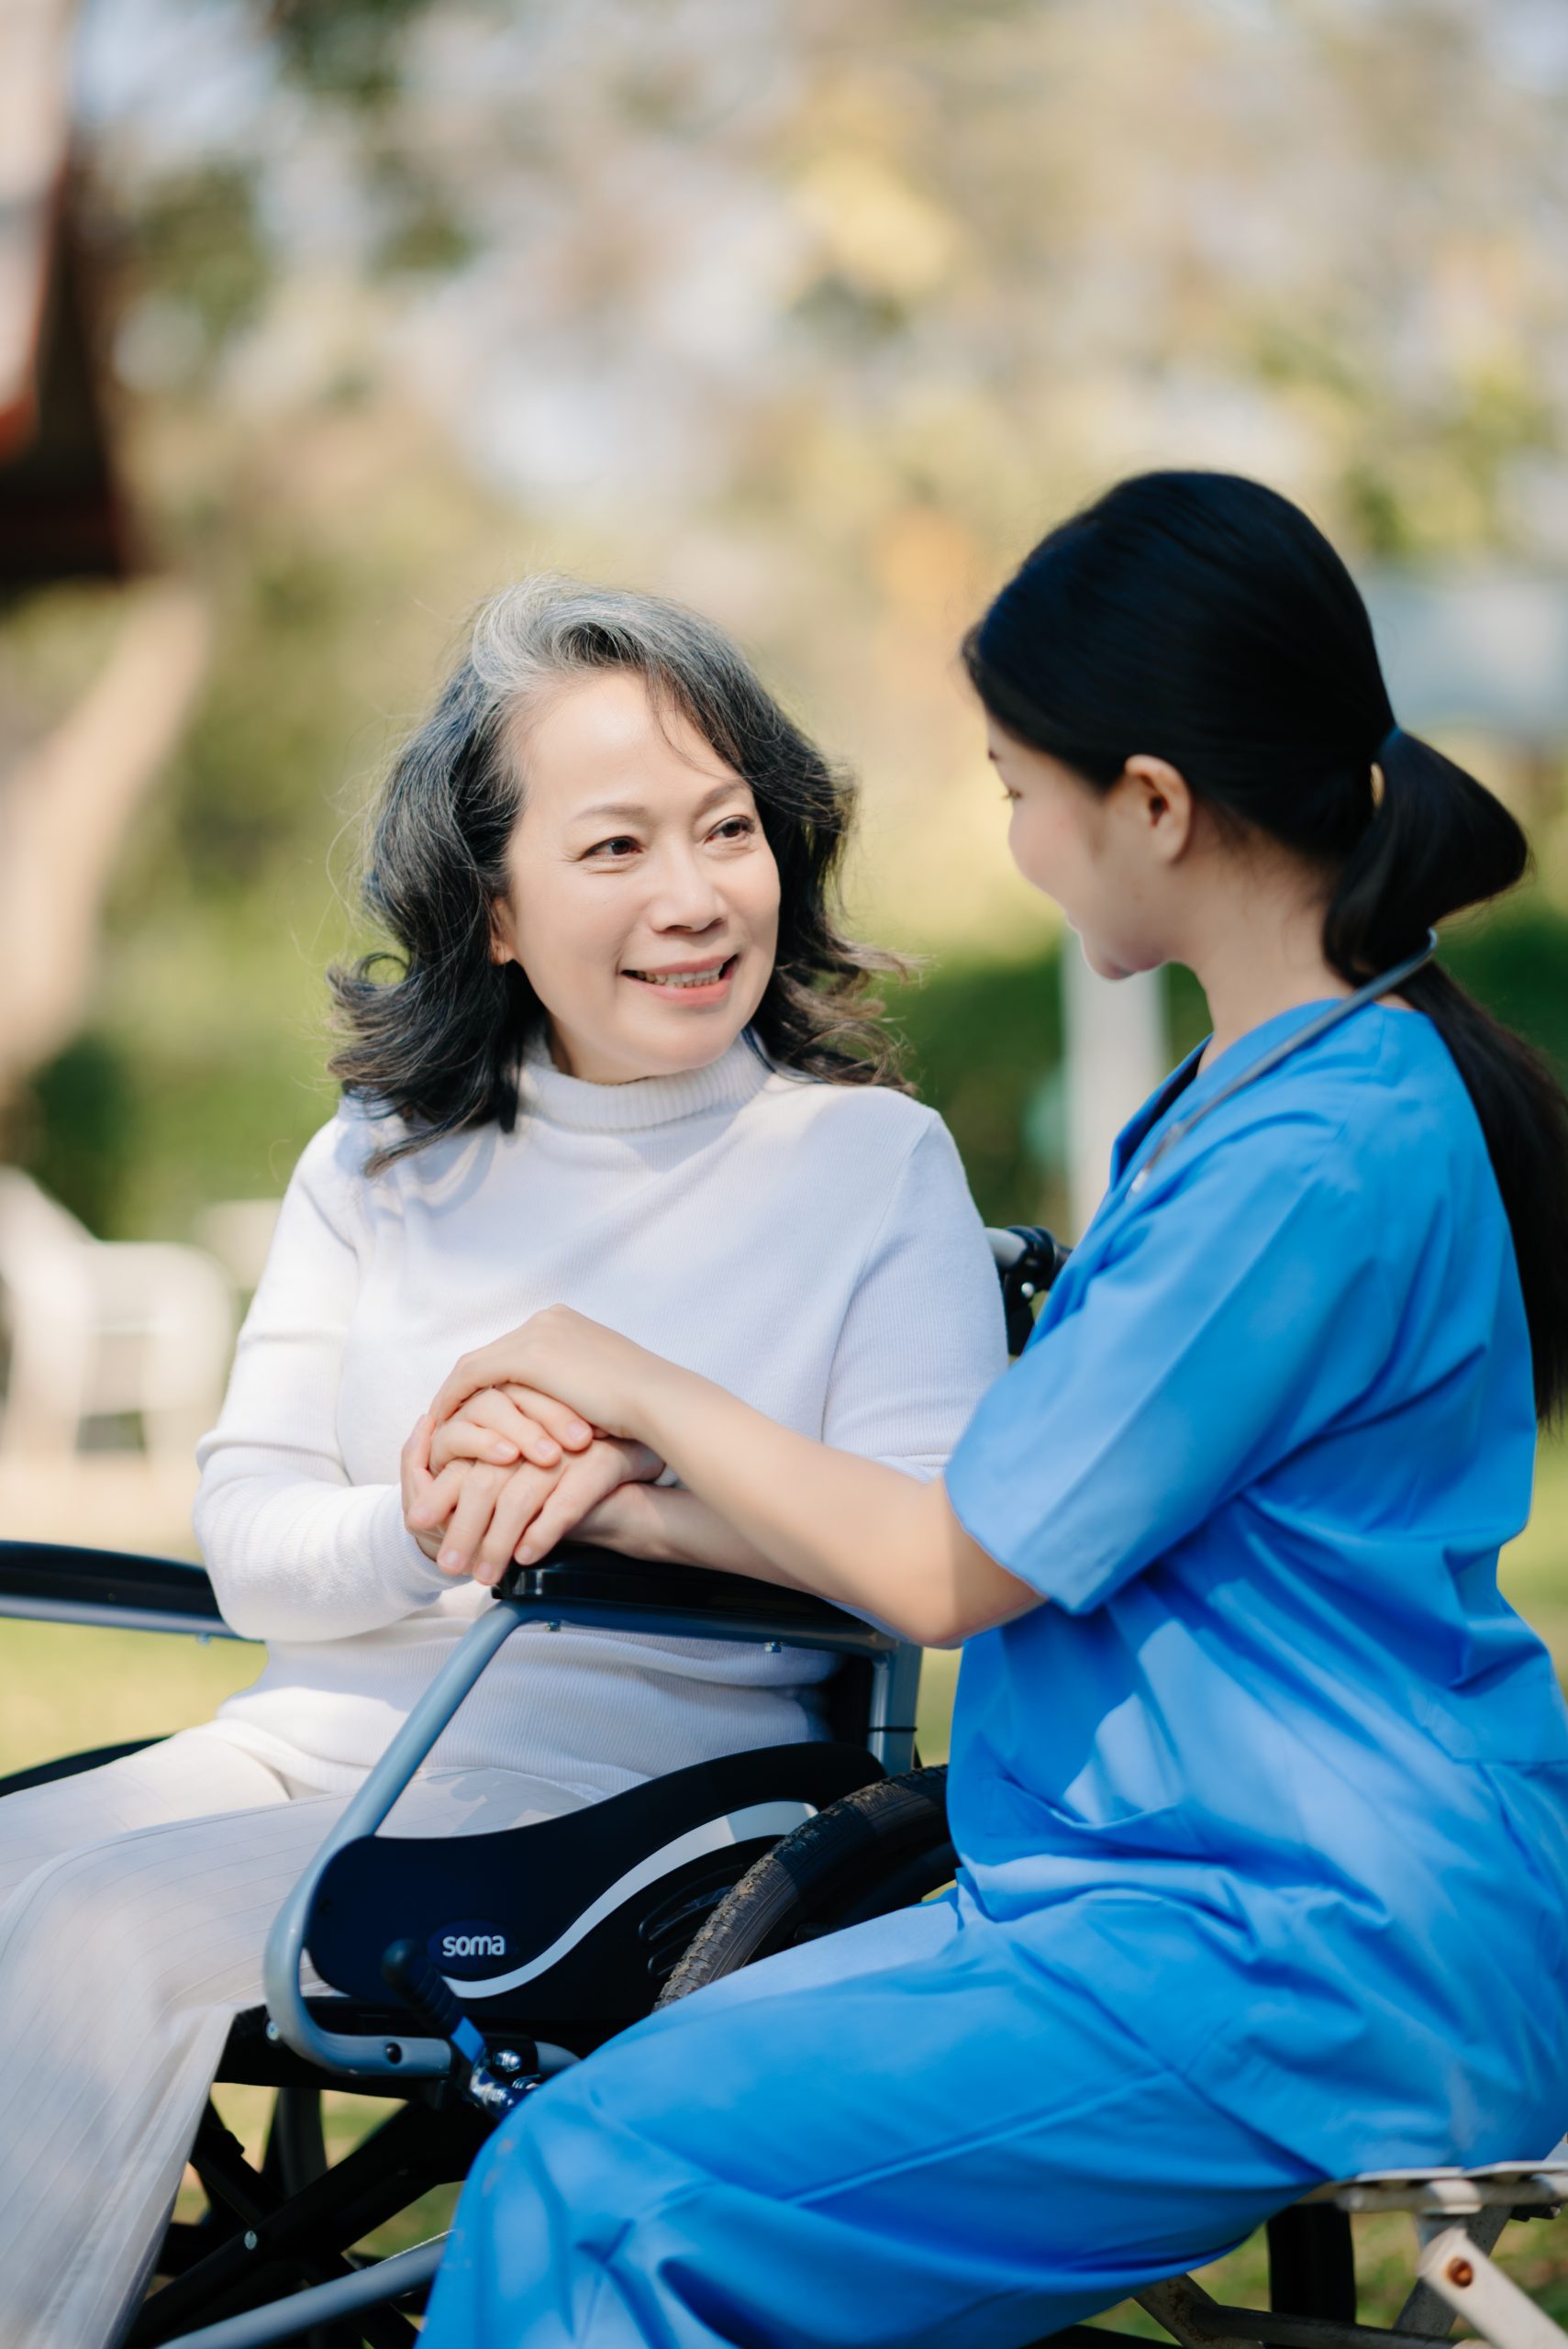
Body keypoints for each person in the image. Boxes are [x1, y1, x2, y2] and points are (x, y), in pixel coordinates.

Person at [417, 473, 1568, 2349]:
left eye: (1023, 790)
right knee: (602, 2148)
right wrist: (609, 1496)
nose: (1019, 841)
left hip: (1299, 1951)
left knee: (598, 2185)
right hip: (1157, 1909)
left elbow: (952, 1566)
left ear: (1155, 805)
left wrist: (627, 1376)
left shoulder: (1311, 1156)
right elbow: (1007, 1524)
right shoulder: (1258, 1102)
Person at [0, 581, 1004, 2349]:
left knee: (98, 1930)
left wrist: (619, 1494)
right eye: (614, 846)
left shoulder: (872, 1164)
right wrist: (427, 1517)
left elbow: (930, 1556)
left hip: (645, 1806)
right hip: (305, 1756)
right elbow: (250, 1533)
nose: (693, 896)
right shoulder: (377, 1158)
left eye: (728, 830)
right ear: (495, 911)